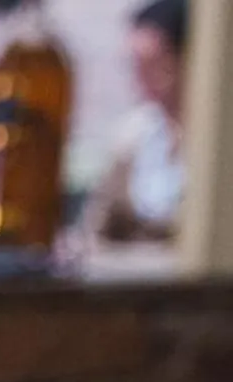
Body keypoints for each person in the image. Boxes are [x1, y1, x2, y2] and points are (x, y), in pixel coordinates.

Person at [86, 0, 189, 246]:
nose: (141, 75)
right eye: (135, 64)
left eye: (154, 63)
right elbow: (98, 222)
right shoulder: (135, 134)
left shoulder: (217, 138)